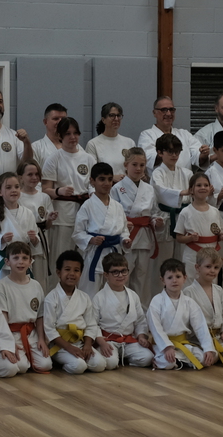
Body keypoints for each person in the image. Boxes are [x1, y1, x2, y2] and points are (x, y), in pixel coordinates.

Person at [41, 117, 94, 275]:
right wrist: (59, 191)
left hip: (85, 212)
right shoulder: (54, 159)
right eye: (68, 133)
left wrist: (92, 193)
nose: (73, 137)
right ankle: (57, 288)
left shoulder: (88, 158)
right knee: (61, 256)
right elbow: (45, 189)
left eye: (75, 133)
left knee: (84, 258)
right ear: (60, 136)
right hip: (62, 215)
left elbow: (93, 184)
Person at [0, 241, 53, 373]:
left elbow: (40, 316)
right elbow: (2, 319)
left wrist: (41, 339)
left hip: (32, 334)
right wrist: (8, 342)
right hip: (12, 333)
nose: (21, 262)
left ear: (31, 261)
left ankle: (29, 355)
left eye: (25, 258)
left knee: (46, 365)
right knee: (21, 367)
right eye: (16, 258)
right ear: (7, 262)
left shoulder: (36, 285)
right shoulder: (1, 286)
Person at [148, 258, 219, 370]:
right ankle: (169, 360)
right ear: (162, 280)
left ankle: (179, 361)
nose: (174, 281)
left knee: (203, 359)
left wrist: (208, 348)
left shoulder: (189, 302)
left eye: (178, 276)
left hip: (182, 343)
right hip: (162, 345)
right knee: (167, 363)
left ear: (185, 278)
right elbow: (155, 327)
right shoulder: (157, 301)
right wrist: (167, 347)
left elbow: (200, 326)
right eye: (170, 277)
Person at [42, 250, 106, 374]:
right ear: (59, 272)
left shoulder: (84, 297)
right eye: (67, 269)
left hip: (80, 342)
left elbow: (91, 324)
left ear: (81, 273)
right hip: (60, 345)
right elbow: (49, 329)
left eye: (76, 270)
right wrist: (69, 347)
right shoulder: (51, 298)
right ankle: (61, 362)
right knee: (79, 366)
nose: (72, 274)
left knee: (100, 364)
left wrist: (87, 345)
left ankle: (78, 358)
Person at [112, 148, 162, 300]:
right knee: (124, 275)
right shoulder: (117, 188)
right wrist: (122, 224)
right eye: (134, 164)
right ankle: (123, 306)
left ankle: (141, 309)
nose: (138, 168)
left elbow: (154, 212)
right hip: (126, 236)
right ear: (126, 165)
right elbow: (112, 214)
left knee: (142, 276)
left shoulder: (149, 189)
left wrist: (156, 221)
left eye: (142, 165)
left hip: (144, 236)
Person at [73, 162, 130, 296]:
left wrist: (125, 240)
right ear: (92, 181)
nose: (106, 183)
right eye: (102, 179)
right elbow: (77, 233)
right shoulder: (87, 206)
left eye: (110, 179)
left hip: (114, 254)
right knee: (90, 293)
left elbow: (123, 229)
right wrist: (91, 239)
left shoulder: (117, 206)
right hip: (95, 253)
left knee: (114, 291)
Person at [183, 247, 223, 369]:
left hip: (217, 338)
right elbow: (186, 320)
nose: (212, 271)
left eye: (216, 267)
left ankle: (214, 354)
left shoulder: (218, 290)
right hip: (197, 339)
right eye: (208, 266)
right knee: (203, 359)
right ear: (197, 267)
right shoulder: (188, 292)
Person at [0, 172, 38, 295]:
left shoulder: (28, 213)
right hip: (2, 261)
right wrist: (1, 239)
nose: (14, 190)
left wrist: (34, 239)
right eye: (8, 187)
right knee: (0, 294)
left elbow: (35, 240)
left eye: (17, 187)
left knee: (21, 293)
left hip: (22, 262)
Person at [92, 253, 150, 368]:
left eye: (124, 271)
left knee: (147, 358)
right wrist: (102, 343)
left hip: (128, 341)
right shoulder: (99, 297)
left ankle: (124, 357)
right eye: (115, 272)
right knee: (111, 363)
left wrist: (141, 336)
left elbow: (140, 320)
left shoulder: (133, 295)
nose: (120, 275)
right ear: (106, 274)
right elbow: (93, 324)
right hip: (108, 340)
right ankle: (117, 357)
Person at [174, 172, 223, 283]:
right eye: (199, 185)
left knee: (210, 284)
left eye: (206, 185)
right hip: (193, 256)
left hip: (211, 256)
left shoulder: (215, 211)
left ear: (210, 188)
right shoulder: (186, 212)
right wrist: (190, 238)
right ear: (191, 190)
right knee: (191, 284)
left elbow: (219, 232)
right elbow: (179, 237)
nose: (203, 188)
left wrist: (222, 236)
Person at [152, 133, 193, 264]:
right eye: (170, 152)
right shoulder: (157, 173)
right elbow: (160, 191)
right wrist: (181, 193)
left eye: (177, 152)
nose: (174, 155)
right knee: (164, 260)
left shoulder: (187, 173)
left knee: (183, 260)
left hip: (183, 218)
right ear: (160, 152)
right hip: (165, 218)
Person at [17, 161, 56, 292]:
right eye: (30, 174)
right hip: (22, 240)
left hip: (40, 240)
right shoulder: (17, 196)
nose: (34, 177)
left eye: (37, 174)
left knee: (40, 277)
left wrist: (49, 220)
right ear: (20, 177)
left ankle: (40, 302)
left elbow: (47, 226)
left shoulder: (44, 197)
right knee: (23, 276)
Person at [137, 96, 203, 172]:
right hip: (158, 178)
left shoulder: (185, 134)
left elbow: (198, 154)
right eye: (164, 110)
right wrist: (169, 152)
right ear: (154, 113)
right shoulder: (147, 135)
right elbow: (148, 159)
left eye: (171, 110)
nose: (168, 113)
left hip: (184, 179)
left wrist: (204, 153)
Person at [86, 102, 136, 182]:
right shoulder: (93, 144)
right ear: (103, 120)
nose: (116, 119)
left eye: (118, 115)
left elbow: (134, 167)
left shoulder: (129, 142)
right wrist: (111, 177)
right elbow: (92, 172)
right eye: (112, 115)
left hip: (127, 185)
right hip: (105, 186)